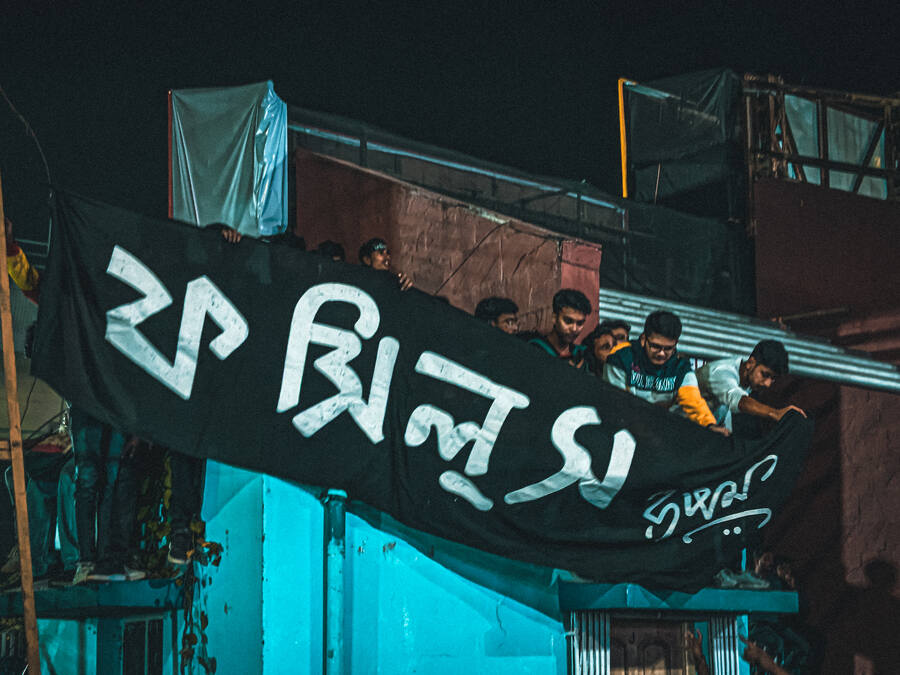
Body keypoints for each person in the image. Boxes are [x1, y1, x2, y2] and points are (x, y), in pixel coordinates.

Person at [603, 310, 729, 435]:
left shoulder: (681, 368)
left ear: (676, 344)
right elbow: (616, 401)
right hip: (625, 428)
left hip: (662, 431)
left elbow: (693, 402)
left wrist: (709, 425)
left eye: (668, 348)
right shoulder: (621, 358)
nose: (661, 353)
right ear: (643, 339)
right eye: (655, 346)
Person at [694, 340, 806, 431]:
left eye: (773, 379)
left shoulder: (747, 382)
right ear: (751, 363)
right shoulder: (722, 372)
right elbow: (740, 401)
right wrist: (775, 413)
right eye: (765, 375)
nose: (767, 384)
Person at [529, 289, 591, 368]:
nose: (574, 329)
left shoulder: (581, 355)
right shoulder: (535, 349)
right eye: (568, 321)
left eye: (580, 323)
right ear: (554, 318)